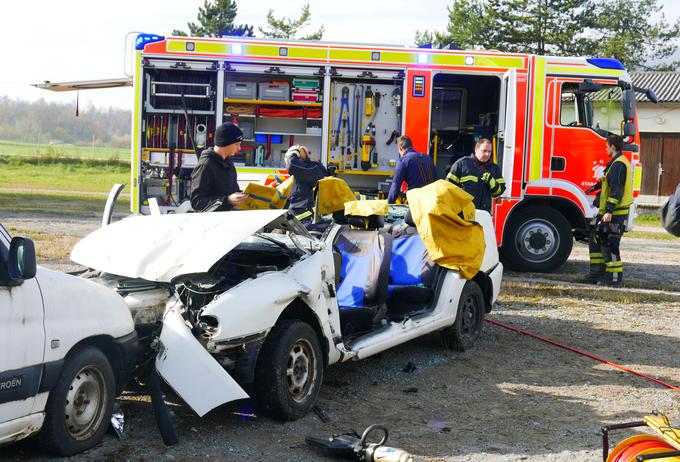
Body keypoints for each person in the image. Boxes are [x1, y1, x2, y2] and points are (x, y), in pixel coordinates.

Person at [584, 134, 633, 286]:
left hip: (615, 213)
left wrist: (609, 211)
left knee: (609, 245)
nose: (605, 149)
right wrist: (595, 187)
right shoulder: (614, 163)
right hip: (607, 212)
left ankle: (613, 279)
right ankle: (596, 274)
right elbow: (607, 181)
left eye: (606, 146)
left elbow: (616, 190)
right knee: (595, 242)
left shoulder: (619, 164)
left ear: (613, 147)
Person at [190, 123, 248, 212]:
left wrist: (262, 191)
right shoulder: (205, 166)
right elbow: (197, 202)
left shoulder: (229, 164)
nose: (239, 148)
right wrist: (228, 200)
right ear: (225, 143)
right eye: (236, 144)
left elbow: (234, 193)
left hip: (225, 221)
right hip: (211, 224)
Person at [446, 138, 505, 213]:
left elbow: (498, 192)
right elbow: (448, 189)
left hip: (483, 214)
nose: (487, 154)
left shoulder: (494, 168)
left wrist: (491, 181)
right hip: (463, 213)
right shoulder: (461, 164)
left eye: (489, 151)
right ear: (476, 149)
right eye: (484, 151)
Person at [387, 135, 436, 204]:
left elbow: (395, 186)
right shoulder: (428, 158)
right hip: (432, 200)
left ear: (401, 149)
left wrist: (389, 204)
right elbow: (435, 180)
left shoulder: (403, 160)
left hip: (417, 202)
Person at [284, 145, 327, 221]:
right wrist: (297, 152)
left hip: (303, 212)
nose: (308, 153)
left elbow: (292, 165)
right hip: (302, 211)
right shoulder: (308, 169)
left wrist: (294, 152)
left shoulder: (313, 169)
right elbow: (292, 165)